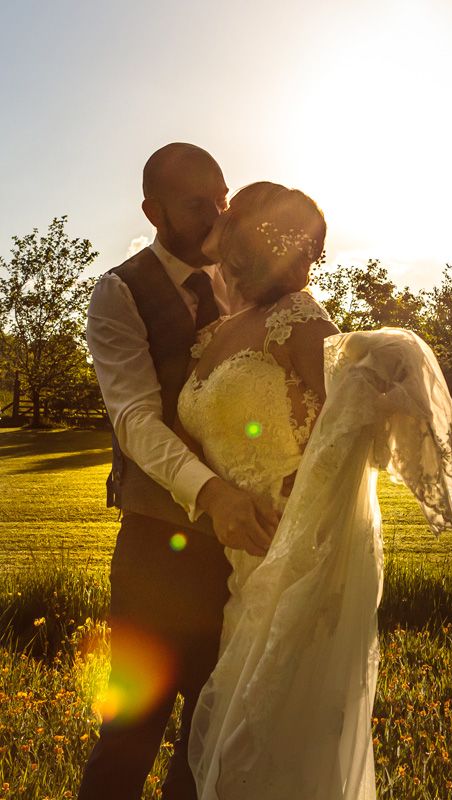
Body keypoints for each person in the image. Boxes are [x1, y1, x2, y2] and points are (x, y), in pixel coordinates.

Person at [178, 182, 452, 798]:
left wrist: (293, 514)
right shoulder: (211, 336)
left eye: (308, 249)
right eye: (295, 242)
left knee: (267, 735)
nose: (305, 261)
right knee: (241, 733)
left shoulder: (301, 318)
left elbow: (333, 429)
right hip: (234, 554)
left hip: (294, 546)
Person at [81, 143, 283, 800]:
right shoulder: (119, 292)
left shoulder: (247, 286)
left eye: (222, 199)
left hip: (240, 556)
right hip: (155, 554)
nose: (218, 216)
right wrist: (213, 493)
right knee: (131, 733)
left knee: (212, 734)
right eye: (199, 204)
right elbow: (136, 419)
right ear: (153, 210)